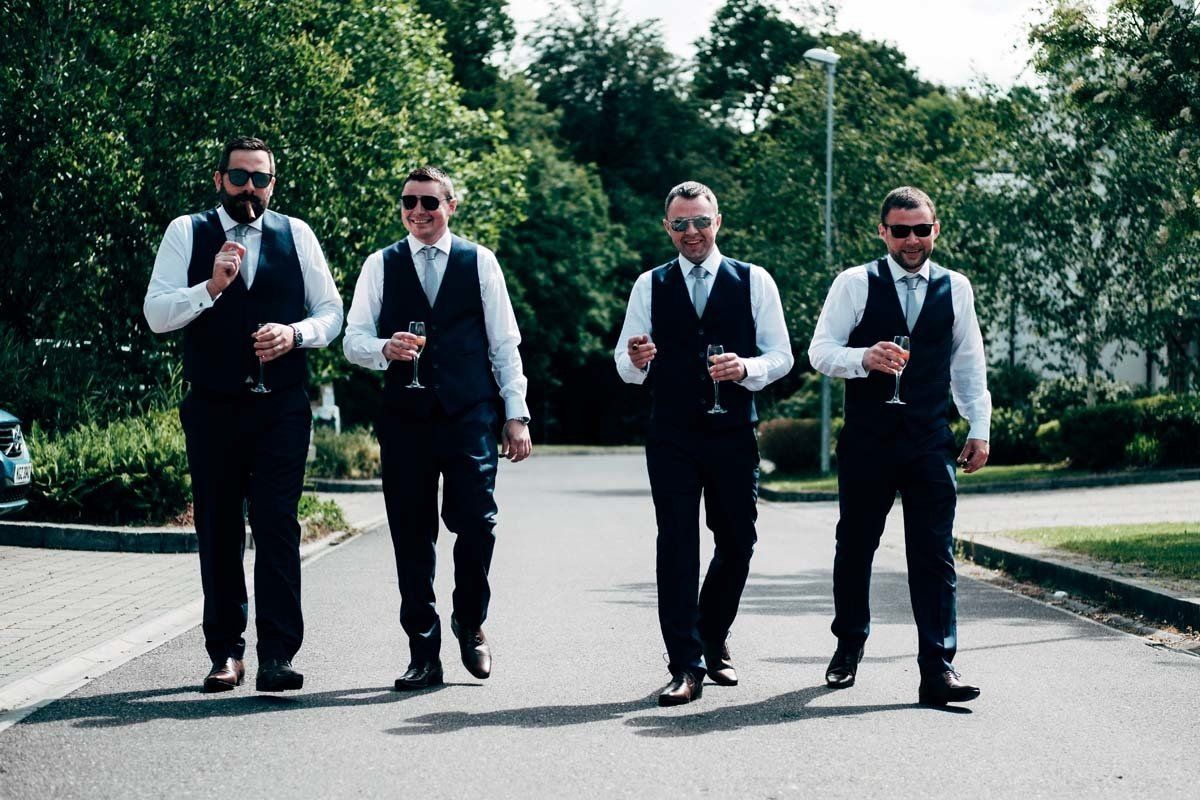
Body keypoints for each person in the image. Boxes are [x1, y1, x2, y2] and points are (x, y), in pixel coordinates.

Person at [144, 136, 343, 693]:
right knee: (219, 526)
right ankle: (225, 652)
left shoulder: (296, 234)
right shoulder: (187, 232)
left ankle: (277, 654)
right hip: (212, 405)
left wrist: (296, 333)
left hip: (281, 405)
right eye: (239, 177)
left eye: (259, 179)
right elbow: (157, 314)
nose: (249, 189)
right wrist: (209, 288)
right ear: (219, 180)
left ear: (272, 184)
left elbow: (332, 313)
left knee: (278, 524)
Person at [343, 166, 531, 690]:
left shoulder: (479, 262)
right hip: (404, 419)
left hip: (470, 414)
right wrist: (384, 348)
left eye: (429, 202)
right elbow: (352, 339)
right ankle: (423, 652)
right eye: (409, 202)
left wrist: (516, 415)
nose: (418, 211)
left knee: (478, 523)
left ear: (451, 205)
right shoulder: (380, 265)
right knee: (411, 535)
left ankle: (469, 622)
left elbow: (504, 345)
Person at [808, 186, 991, 706]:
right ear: (883, 231)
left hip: (930, 438)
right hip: (868, 440)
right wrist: (863, 357)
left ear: (935, 230)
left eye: (921, 229)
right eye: (901, 230)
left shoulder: (956, 288)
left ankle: (939, 668)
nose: (912, 240)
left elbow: (968, 364)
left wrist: (978, 427)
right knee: (856, 546)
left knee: (934, 554)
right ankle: (849, 644)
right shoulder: (854, 283)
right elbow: (820, 351)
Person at [615, 181, 793, 706]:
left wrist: (747, 368)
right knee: (676, 544)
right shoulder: (649, 285)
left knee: (738, 539)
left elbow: (781, 355)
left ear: (718, 222)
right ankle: (686, 665)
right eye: (680, 224)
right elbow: (624, 365)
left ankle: (713, 636)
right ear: (666, 227)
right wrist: (637, 360)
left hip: (734, 430)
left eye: (700, 222)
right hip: (670, 432)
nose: (691, 233)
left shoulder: (753, 280)